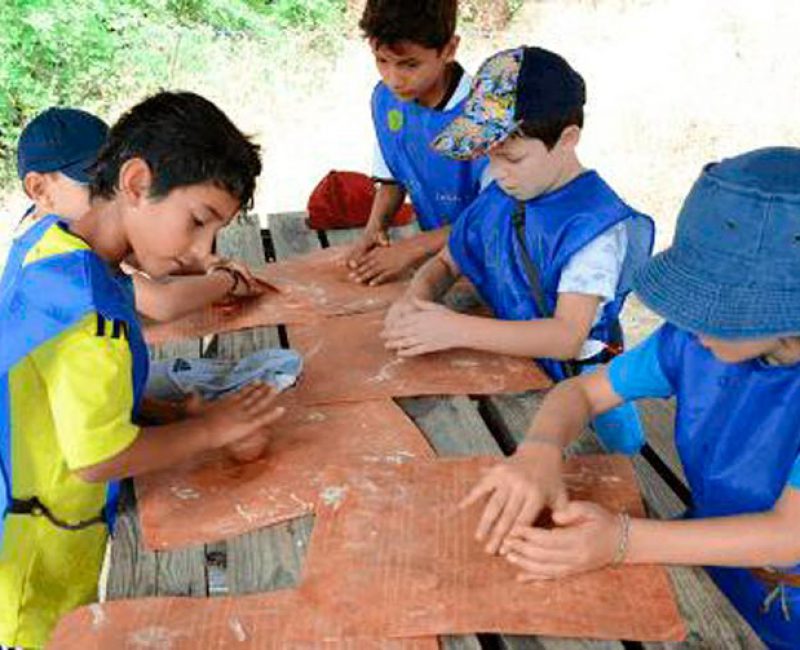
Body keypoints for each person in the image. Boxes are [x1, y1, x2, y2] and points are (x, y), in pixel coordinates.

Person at [462, 147, 800, 650]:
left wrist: (622, 540)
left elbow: (787, 534)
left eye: (718, 310)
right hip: (704, 556)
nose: (693, 321)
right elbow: (581, 389)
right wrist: (539, 450)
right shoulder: (690, 339)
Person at [0, 91, 285, 649]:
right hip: (40, 547)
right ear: (134, 183)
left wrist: (166, 412)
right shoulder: (93, 317)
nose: (202, 248)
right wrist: (209, 430)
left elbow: (60, 390)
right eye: (198, 221)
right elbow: (97, 458)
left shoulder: (50, 243)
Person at [383, 46, 654, 453]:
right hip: (518, 369)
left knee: (612, 468)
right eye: (490, 156)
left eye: (511, 157)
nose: (497, 171)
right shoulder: (502, 191)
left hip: (581, 384)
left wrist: (452, 329)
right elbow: (446, 260)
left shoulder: (593, 231)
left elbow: (566, 337)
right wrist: (416, 300)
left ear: (567, 140)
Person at [3, 106, 265, 322]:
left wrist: (206, 264)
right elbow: (163, 302)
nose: (111, 190)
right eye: (95, 183)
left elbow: (140, 257)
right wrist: (226, 281)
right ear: (40, 190)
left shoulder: (56, 224)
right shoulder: (57, 257)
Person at [346, 0, 490, 286]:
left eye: (409, 64)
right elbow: (392, 178)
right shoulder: (386, 101)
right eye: (381, 61)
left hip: (494, 260)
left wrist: (412, 249)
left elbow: (494, 217)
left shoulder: (484, 116)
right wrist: (374, 229)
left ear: (449, 49)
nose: (393, 79)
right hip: (441, 259)